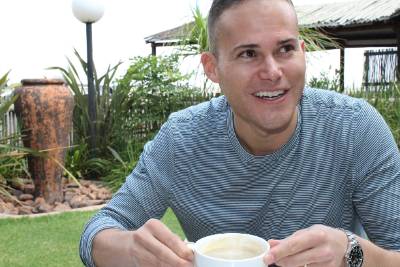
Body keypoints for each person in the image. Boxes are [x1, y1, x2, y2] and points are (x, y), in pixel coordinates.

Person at [80, 0, 400, 266]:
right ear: (212, 68)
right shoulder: (181, 140)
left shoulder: (355, 129)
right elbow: (96, 233)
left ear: (302, 52)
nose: (273, 72)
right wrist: (132, 250)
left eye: (285, 49)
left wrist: (351, 253)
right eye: (249, 54)